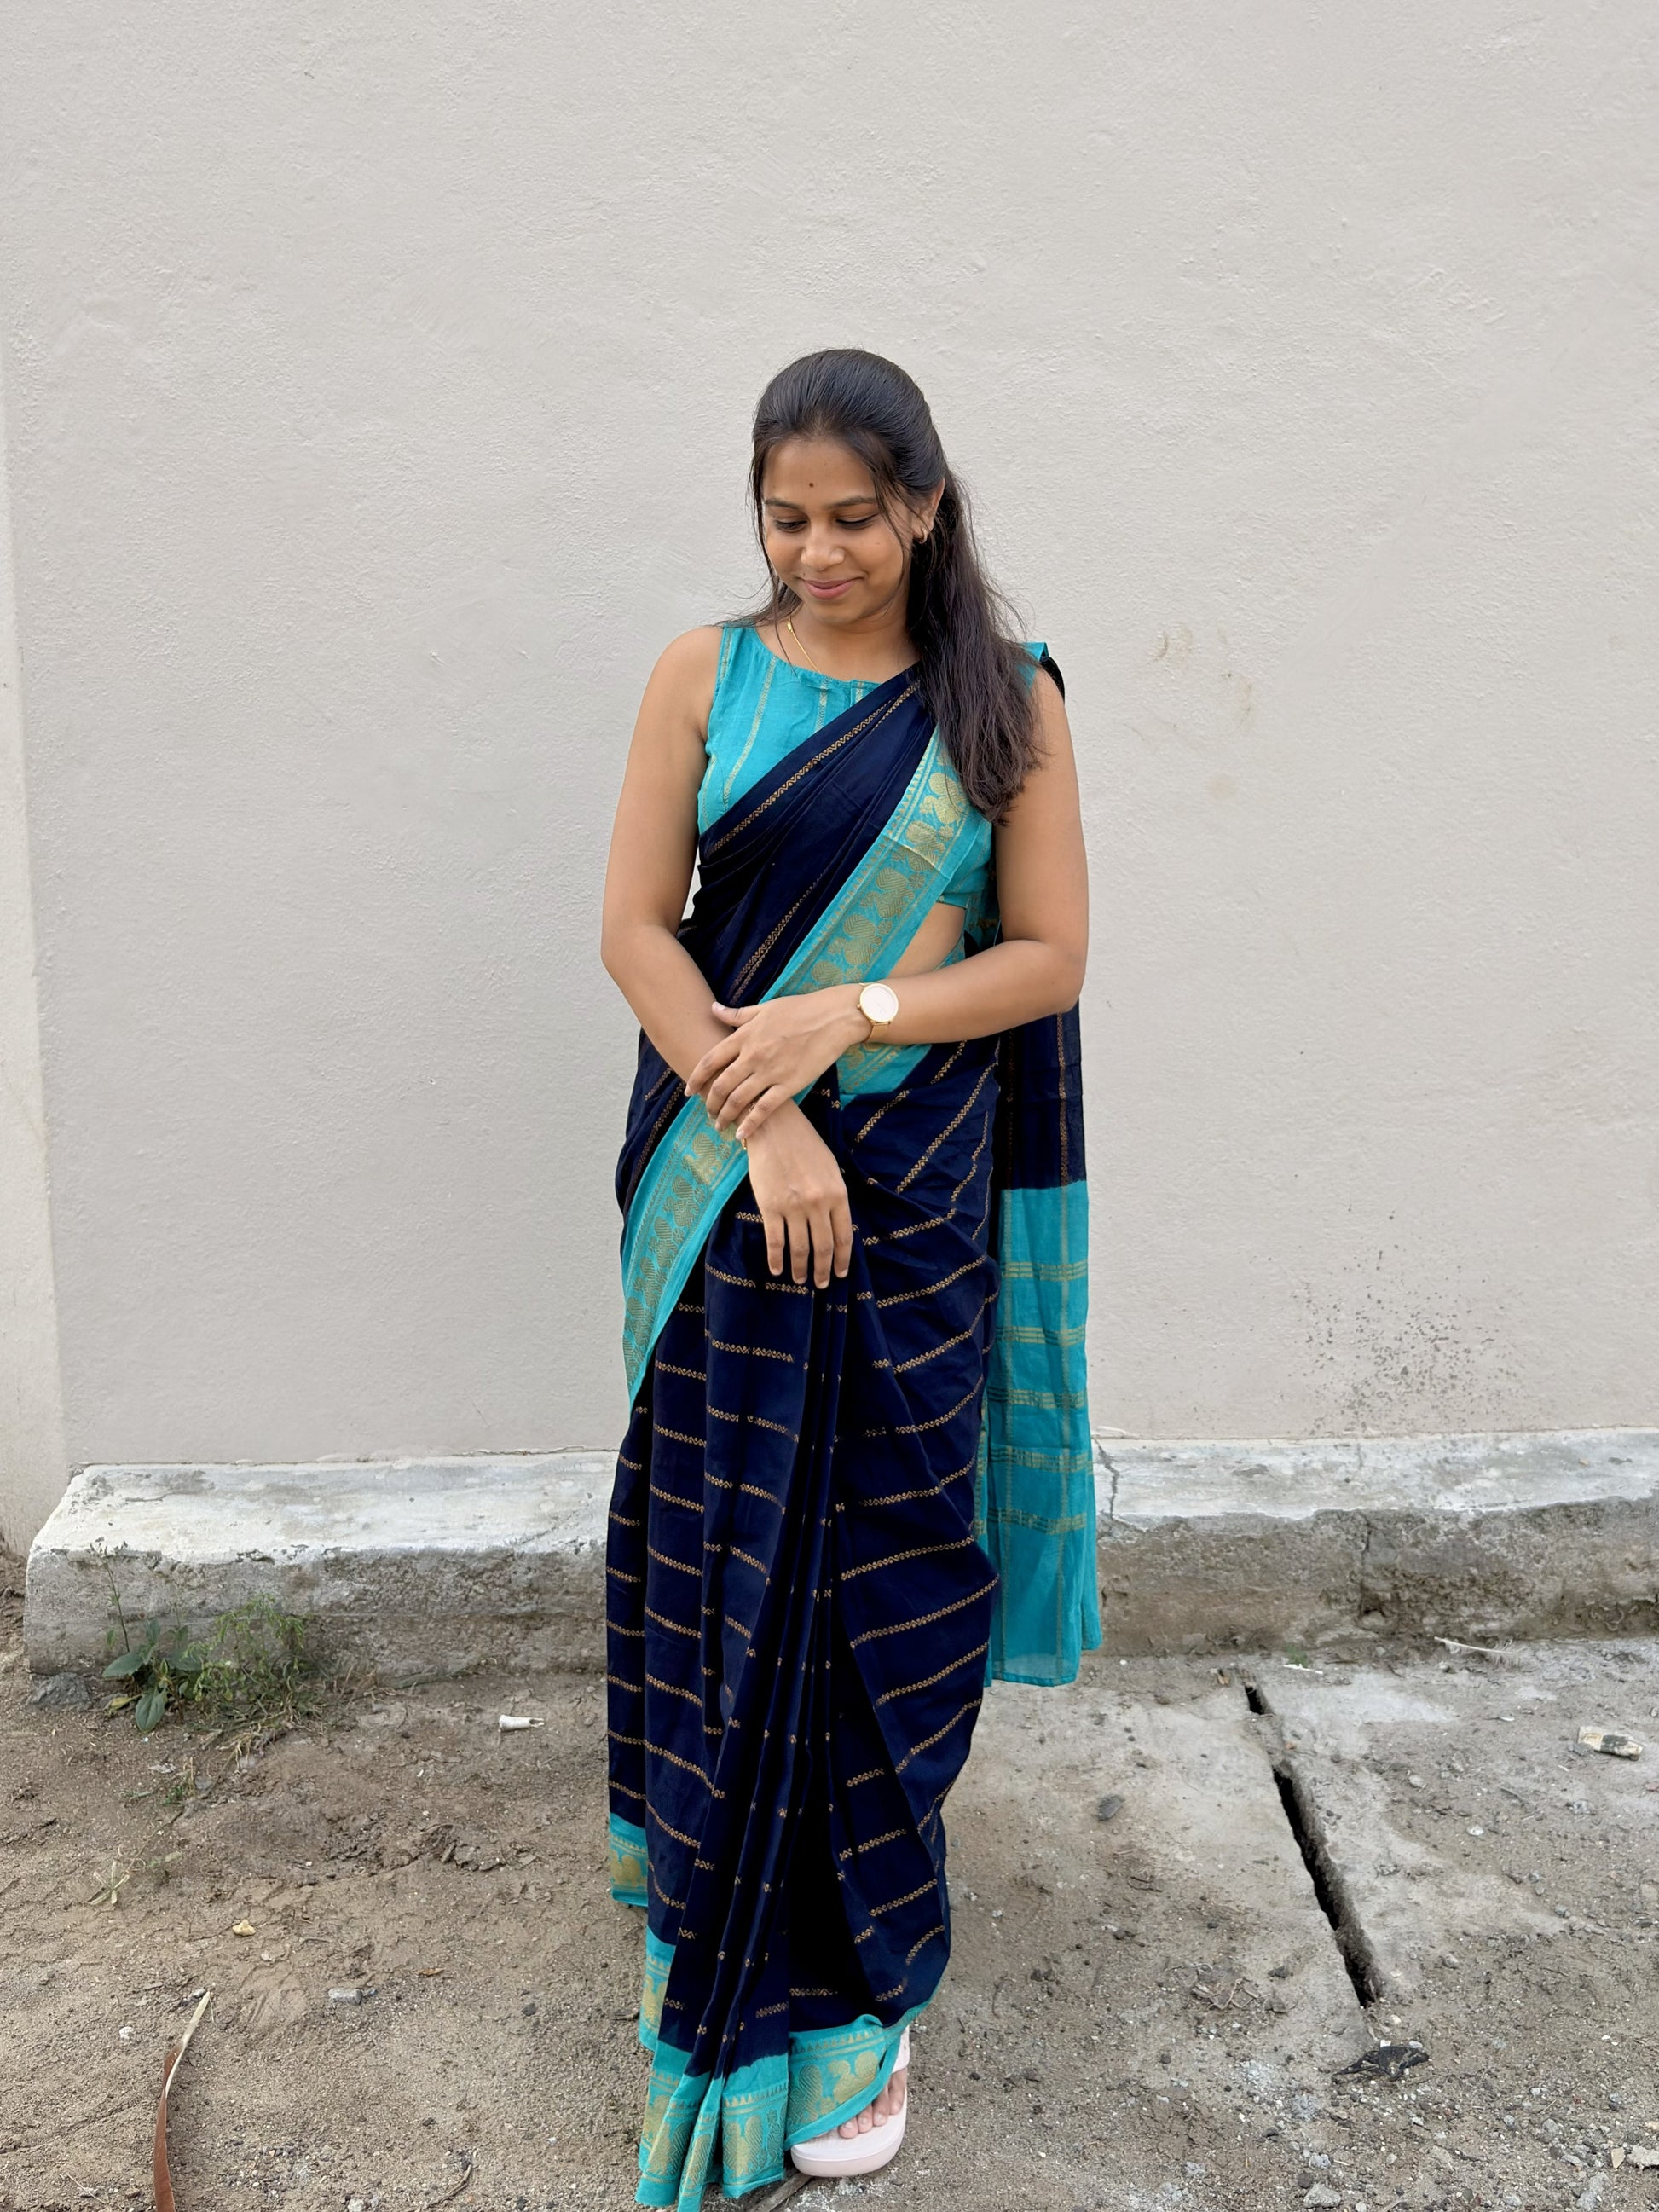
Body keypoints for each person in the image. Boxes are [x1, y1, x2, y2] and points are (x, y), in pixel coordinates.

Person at [598, 347, 1098, 2209]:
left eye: (854, 519)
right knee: (719, 1551)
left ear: (926, 508)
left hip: (917, 1208)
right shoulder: (700, 676)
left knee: (884, 1574)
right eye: (785, 519)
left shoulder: (1004, 701)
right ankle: (711, 1901)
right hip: (718, 1186)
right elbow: (634, 929)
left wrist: (854, 1014)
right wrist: (763, 1116)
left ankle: (864, 1988)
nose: (817, 553)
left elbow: (1043, 956)